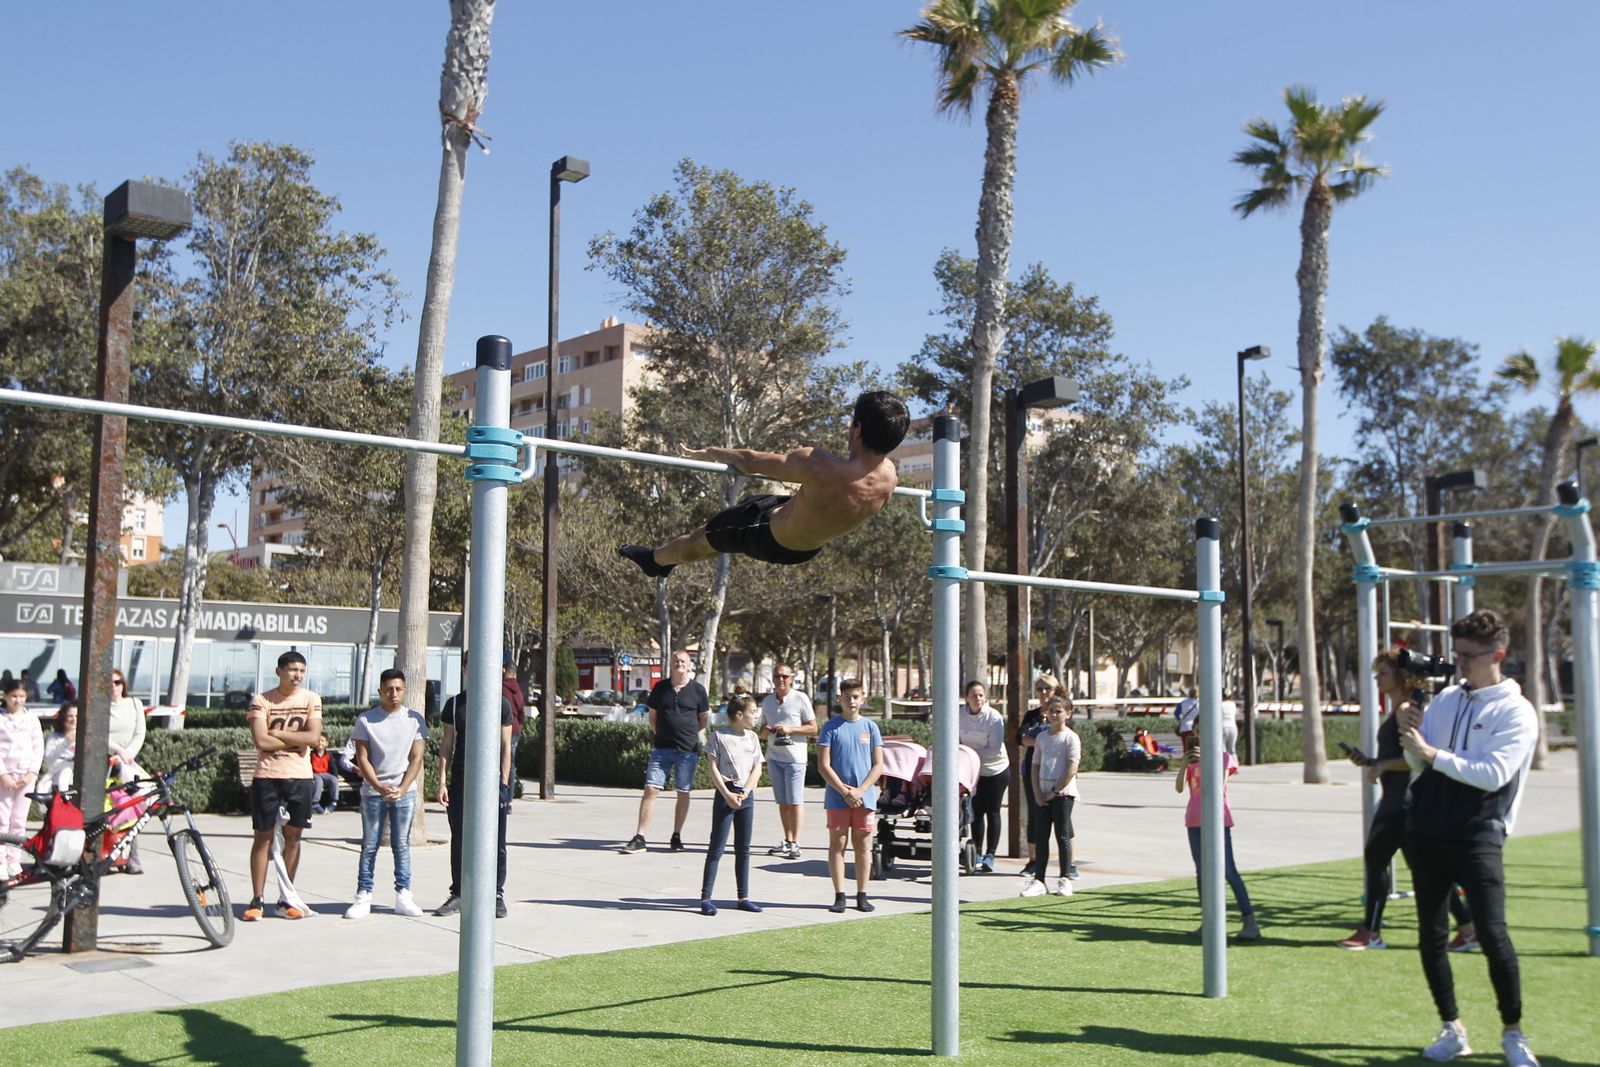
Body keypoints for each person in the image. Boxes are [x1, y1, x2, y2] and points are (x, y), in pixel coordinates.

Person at [1398, 610, 1540, 1066]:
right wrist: (1409, 734)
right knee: (1431, 935)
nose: (1458, 663)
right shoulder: (1446, 699)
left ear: (1497, 655)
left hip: (1478, 834)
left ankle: (1514, 1033)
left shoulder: (1516, 711)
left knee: (1494, 935)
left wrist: (1430, 752)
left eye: (1467, 656)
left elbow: (1493, 774)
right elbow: (1420, 765)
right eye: (1455, 653)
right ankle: (1451, 1027)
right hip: (1426, 832)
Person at [618, 391, 911, 577]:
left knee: (703, 539)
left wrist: (712, 452)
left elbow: (750, 459)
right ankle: (673, 557)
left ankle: (655, 561)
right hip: (806, 544)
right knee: (731, 526)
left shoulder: (821, 466)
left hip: (766, 535)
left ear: (857, 428)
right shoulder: (889, 478)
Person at [1338, 649, 1473, 952]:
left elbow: (1416, 756)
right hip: (1403, 799)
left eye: (1383, 672)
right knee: (1428, 870)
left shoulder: (1405, 710)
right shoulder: (1402, 708)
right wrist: (1371, 761)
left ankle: (1371, 932)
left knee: (1376, 860)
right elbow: (1401, 756)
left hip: (1402, 801)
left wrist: (1382, 765)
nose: (1377, 678)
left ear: (1399, 676)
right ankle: (1468, 928)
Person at [243, 651, 323, 921]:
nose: (297, 675)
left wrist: (276, 732)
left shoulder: (311, 699)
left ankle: (285, 899)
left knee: (293, 838)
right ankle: (257, 900)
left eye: (301, 670)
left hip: (299, 777)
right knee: (263, 837)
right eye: (292, 670)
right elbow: (261, 742)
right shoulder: (261, 700)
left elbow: (313, 737)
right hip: (267, 777)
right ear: (279, 671)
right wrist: (294, 740)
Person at [345, 669, 429, 919]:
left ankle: (404, 894)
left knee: (401, 845)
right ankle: (363, 895)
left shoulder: (415, 719)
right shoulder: (366, 720)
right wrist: (380, 787)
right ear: (380, 691)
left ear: (404, 690)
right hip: (373, 792)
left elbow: (417, 758)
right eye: (389, 689)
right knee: (369, 844)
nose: (394, 694)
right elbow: (362, 758)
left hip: (404, 792)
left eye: (398, 689)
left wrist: (401, 788)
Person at [436, 663, 514, 918]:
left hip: (491, 783)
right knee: (459, 837)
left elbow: (506, 747)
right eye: (473, 667)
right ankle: (459, 892)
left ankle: (496, 894)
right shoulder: (455, 703)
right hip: (460, 780)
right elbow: (447, 743)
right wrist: (442, 781)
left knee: (497, 840)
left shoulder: (500, 704)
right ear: (466, 670)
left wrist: (503, 784)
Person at [1177, 716, 1260, 941]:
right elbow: (1178, 788)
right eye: (1198, 730)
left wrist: (1206, 760)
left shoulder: (1223, 758)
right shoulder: (1192, 760)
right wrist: (1184, 764)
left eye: (1206, 730)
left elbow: (1219, 787)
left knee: (1228, 871)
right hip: (1193, 821)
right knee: (1201, 872)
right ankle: (1209, 921)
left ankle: (1249, 921)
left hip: (1218, 820)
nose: (1201, 734)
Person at [622, 650, 709, 854]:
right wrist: (662, 733)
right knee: (651, 789)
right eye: (676, 661)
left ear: (690, 665)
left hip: (687, 750)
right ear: (671, 665)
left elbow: (703, 718)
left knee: (683, 791)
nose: (679, 664)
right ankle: (640, 837)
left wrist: (689, 734)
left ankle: (676, 836)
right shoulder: (660, 688)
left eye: (683, 661)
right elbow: (653, 717)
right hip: (662, 749)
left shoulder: (698, 690)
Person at [817, 678, 884, 914]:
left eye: (855, 696)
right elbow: (824, 766)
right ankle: (839, 895)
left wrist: (861, 791)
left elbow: (878, 765)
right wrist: (845, 791)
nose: (851, 701)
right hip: (837, 798)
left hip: (864, 798)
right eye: (847, 697)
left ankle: (862, 894)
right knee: (838, 843)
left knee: (863, 844)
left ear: (862, 698)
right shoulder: (830, 727)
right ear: (839, 699)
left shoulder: (871, 728)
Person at [699, 694, 765, 916]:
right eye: (753, 712)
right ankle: (706, 898)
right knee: (716, 847)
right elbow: (713, 767)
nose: (756, 716)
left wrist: (745, 791)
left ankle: (743, 896)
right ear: (739, 714)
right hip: (726, 795)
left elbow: (758, 767)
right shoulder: (719, 736)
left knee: (743, 849)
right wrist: (727, 794)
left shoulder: (753, 738)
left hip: (746, 796)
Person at [1021, 696, 1080, 898]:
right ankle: (1039, 880)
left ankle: (1064, 878)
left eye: (1059, 711)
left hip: (1062, 794)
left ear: (1068, 714)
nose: (1054, 715)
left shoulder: (1071, 738)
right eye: (1051, 711)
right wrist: (1037, 792)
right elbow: (1035, 765)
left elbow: (1072, 767)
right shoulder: (1042, 738)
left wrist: (1054, 791)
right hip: (1042, 794)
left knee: (1062, 834)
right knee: (1041, 836)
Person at [759, 662, 816, 860]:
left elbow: (813, 728)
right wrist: (766, 731)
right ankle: (788, 839)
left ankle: (796, 842)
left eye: (784, 676)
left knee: (795, 801)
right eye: (777, 676)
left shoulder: (800, 698)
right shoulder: (767, 702)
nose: (781, 680)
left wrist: (790, 730)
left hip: (796, 758)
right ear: (773, 679)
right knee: (782, 803)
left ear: (791, 678)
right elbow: (762, 728)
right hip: (774, 757)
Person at [958, 680, 1010, 873]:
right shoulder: (959, 716)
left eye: (981, 695)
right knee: (976, 812)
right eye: (974, 695)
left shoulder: (994, 717)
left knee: (993, 811)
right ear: (967, 698)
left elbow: (994, 749)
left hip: (996, 770)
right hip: (972, 772)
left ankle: (990, 854)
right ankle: (977, 853)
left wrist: (969, 756)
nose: (978, 699)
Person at [0, 678, 43, 880]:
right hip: (5, 776)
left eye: (21, 696)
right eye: (13, 696)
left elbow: (38, 747)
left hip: (25, 776)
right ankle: (0, 861)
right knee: (2, 820)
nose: (18, 700)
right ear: (6, 696)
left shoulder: (31, 719)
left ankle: (13, 859)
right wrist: (3, 774)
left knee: (18, 820)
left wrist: (32, 772)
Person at [1016, 673, 1057, 880]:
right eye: (1040, 688)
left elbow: (1064, 738)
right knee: (1034, 814)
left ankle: (1070, 864)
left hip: (1056, 772)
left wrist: (1038, 738)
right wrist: (1043, 739)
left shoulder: (1060, 713)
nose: (1043, 693)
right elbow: (1021, 738)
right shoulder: (1031, 716)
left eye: (1047, 689)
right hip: (1032, 770)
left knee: (1061, 817)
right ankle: (1033, 861)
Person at [108, 668, 148, 874]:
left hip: (128, 764)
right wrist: (118, 751)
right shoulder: (100, 706)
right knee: (107, 810)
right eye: (110, 682)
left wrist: (128, 753)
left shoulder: (135, 704)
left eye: (117, 682)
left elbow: (140, 732)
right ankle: (106, 856)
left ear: (123, 684)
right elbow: (98, 733)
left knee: (135, 807)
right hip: (106, 763)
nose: (114, 686)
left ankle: (133, 856)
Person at [41, 703, 77, 793]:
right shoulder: (55, 737)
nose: (74, 719)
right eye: (70, 716)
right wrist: (66, 743)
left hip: (77, 782)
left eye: (77, 716)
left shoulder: (86, 737)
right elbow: (49, 760)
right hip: (57, 781)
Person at [502, 652, 526, 774]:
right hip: (515, 729)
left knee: (503, 763)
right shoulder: (519, 691)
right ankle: (509, 791)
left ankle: (503, 789)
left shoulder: (501, 689)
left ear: (504, 670)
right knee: (510, 764)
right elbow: (522, 714)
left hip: (504, 729)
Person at [309, 734, 341, 814]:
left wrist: (335, 776)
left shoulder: (328, 755)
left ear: (326, 743)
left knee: (333, 779)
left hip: (325, 774)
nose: (320, 743)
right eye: (318, 741)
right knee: (318, 780)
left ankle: (334, 801)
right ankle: (315, 803)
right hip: (315, 774)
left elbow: (333, 767)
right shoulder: (311, 755)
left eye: (322, 741)